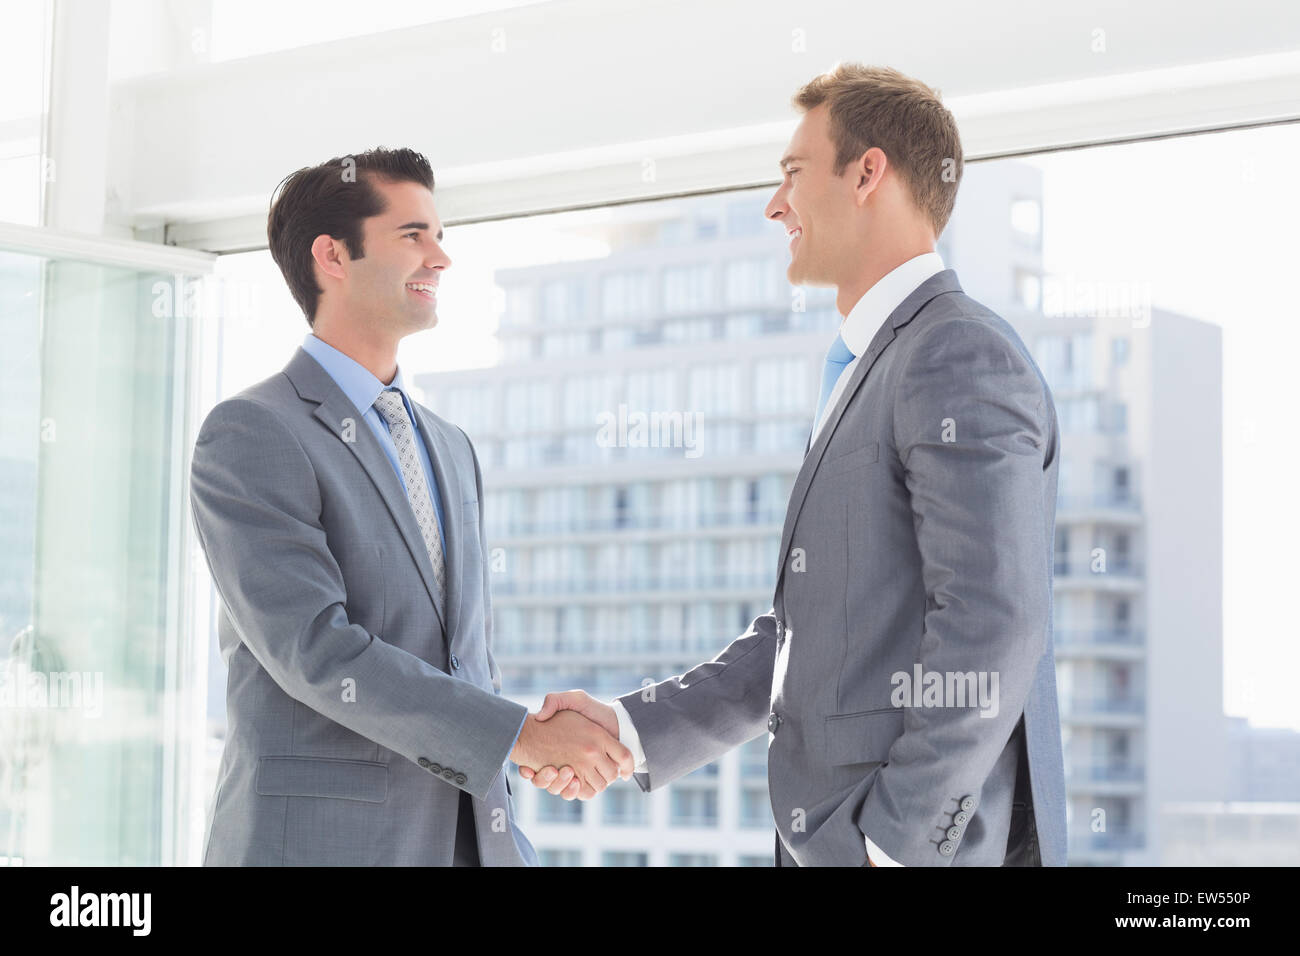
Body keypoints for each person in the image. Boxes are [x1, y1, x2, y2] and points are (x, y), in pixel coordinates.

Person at [521, 64, 1066, 867]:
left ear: (867, 172)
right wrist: (630, 729)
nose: (776, 204)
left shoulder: (954, 353)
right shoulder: (870, 365)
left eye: (792, 174)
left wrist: (895, 841)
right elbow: (802, 640)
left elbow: (995, 620)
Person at [190, 147, 632, 866]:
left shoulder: (449, 445)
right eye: (413, 236)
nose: (440, 258)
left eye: (441, 236)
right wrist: (519, 734)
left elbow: (465, 662)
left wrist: (519, 766)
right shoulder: (252, 433)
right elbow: (317, 650)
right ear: (332, 257)